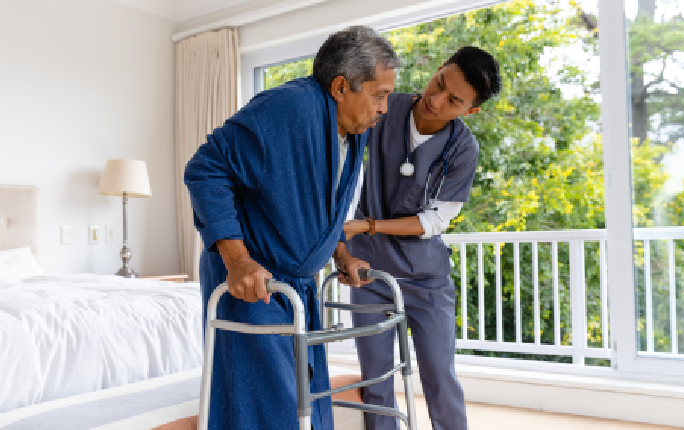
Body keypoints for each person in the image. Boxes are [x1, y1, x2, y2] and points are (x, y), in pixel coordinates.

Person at [184, 25, 400, 430]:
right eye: (379, 94)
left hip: (297, 287)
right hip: (254, 283)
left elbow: (322, 209)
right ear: (341, 87)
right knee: (272, 409)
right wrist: (237, 261)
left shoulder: (352, 131)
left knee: (307, 405)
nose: (384, 108)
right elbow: (206, 168)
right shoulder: (288, 108)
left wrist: (341, 254)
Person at [341, 46, 501, 430]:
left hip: (425, 276)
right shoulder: (382, 108)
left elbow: (434, 220)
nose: (436, 100)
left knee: (439, 375)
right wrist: (346, 244)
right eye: (439, 83)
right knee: (376, 378)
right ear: (439, 67)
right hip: (369, 271)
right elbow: (346, 168)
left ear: (470, 111)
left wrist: (368, 226)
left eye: (453, 101)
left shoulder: (463, 148)